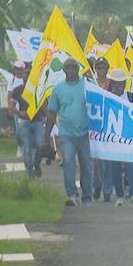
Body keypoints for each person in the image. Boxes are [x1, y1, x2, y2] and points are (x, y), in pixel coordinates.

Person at [43, 58, 94, 206]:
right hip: (66, 134)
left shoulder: (88, 85)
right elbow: (52, 113)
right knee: (69, 162)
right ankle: (72, 194)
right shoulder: (58, 89)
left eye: (74, 66)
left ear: (78, 68)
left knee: (87, 166)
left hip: (85, 133)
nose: (71, 69)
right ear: (63, 70)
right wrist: (46, 137)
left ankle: (87, 196)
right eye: (68, 67)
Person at [104, 68, 133, 206]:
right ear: (113, 83)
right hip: (113, 138)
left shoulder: (131, 97)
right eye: (118, 82)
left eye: (123, 82)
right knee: (115, 168)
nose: (121, 85)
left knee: (131, 166)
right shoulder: (107, 97)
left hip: (129, 137)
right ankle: (120, 195)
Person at [9, 63, 45, 179]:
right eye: (26, 74)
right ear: (23, 76)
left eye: (30, 74)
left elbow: (44, 106)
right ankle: (30, 171)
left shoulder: (37, 90)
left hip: (38, 121)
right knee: (27, 147)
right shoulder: (18, 90)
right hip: (24, 122)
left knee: (40, 144)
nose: (27, 76)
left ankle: (36, 164)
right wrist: (19, 113)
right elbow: (11, 106)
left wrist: (48, 117)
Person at [92, 57, 110, 200]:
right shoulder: (90, 83)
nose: (102, 70)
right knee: (96, 160)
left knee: (108, 159)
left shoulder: (111, 84)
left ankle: (107, 190)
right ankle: (97, 185)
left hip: (108, 123)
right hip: (94, 123)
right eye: (99, 68)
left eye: (104, 68)